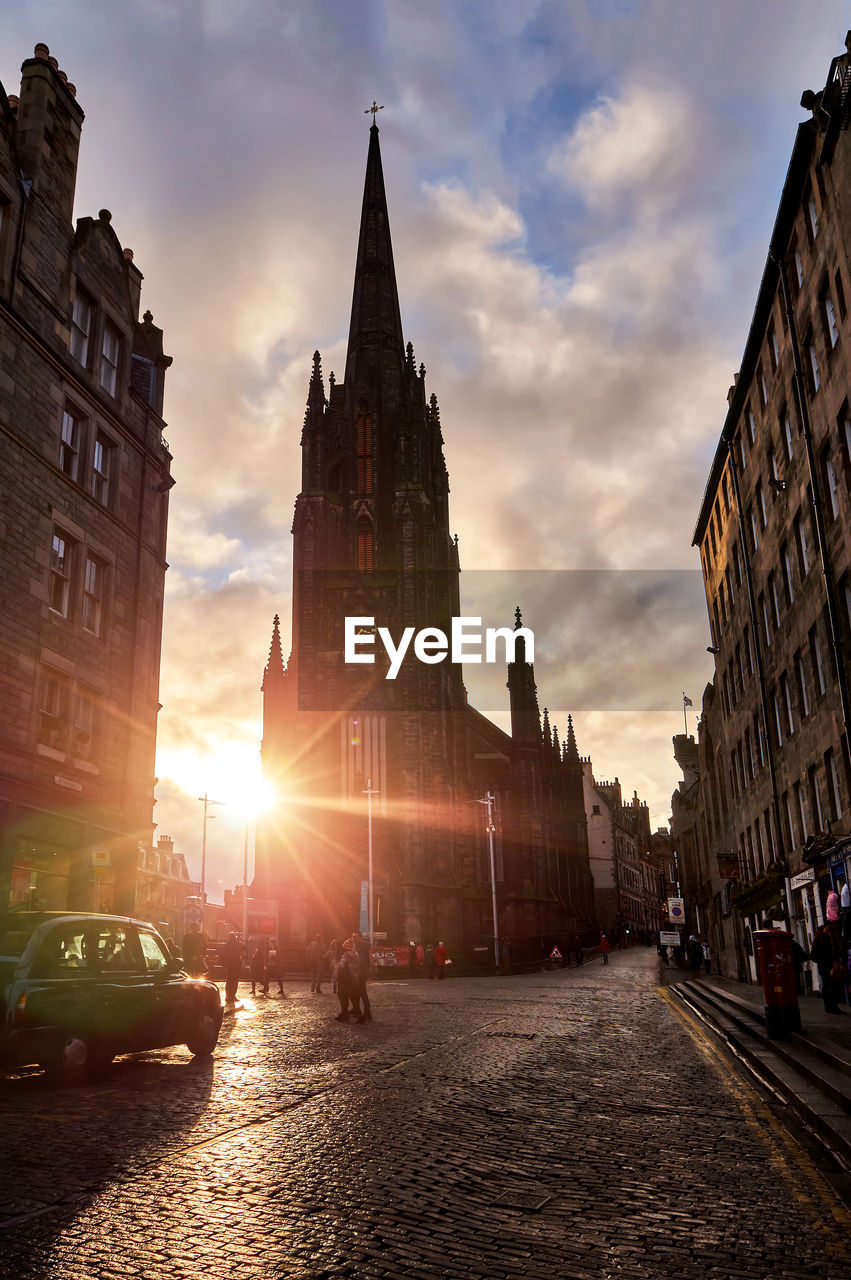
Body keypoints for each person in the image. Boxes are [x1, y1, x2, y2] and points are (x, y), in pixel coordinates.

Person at [811, 923, 844, 1014]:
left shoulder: (832, 936)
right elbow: (815, 955)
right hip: (826, 966)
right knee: (829, 986)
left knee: (834, 986)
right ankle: (831, 1007)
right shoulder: (823, 938)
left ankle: (832, 1007)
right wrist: (824, 964)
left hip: (832, 965)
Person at [334, 940, 362, 1022]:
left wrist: (337, 976)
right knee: (354, 998)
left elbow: (341, 967)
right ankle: (359, 1015)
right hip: (355, 980)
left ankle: (344, 1014)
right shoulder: (356, 955)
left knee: (343, 997)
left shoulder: (345, 956)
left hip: (346, 980)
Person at [352, 930, 372, 1019]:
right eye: (353, 937)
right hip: (357, 973)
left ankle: (367, 1012)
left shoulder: (362, 948)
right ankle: (356, 1009)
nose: (353, 939)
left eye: (355, 937)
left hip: (361, 973)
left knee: (363, 993)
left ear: (360, 938)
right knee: (356, 992)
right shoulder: (358, 946)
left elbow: (363, 962)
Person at [222, 932, 243, 1005]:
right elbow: (244, 948)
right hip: (236, 965)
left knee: (229, 981)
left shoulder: (227, 945)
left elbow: (223, 955)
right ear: (234, 937)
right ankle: (233, 996)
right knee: (235, 981)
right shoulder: (237, 944)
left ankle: (227, 996)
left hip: (229, 966)